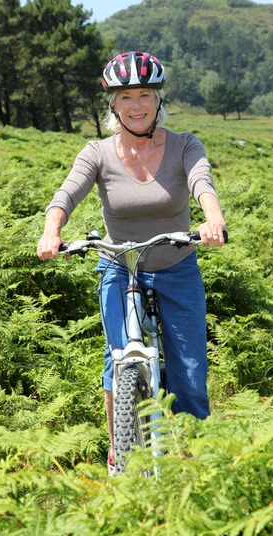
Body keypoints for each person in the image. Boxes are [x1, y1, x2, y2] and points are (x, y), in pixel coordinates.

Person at [37, 51, 226, 475]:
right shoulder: (97, 152)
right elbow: (65, 195)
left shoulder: (184, 145)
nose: (136, 104)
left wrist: (213, 220)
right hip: (119, 266)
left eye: (145, 94)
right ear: (113, 105)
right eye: (125, 97)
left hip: (176, 266)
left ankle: (194, 463)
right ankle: (119, 451)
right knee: (117, 359)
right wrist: (52, 231)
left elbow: (202, 183)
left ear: (158, 101)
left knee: (191, 372)